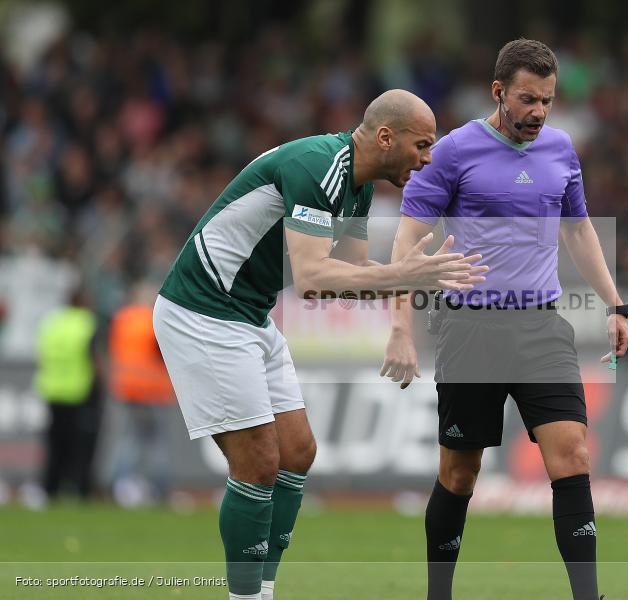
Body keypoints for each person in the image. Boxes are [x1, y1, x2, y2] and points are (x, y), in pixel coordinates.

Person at [152, 89, 487, 600]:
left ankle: (263, 589)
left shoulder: (357, 185)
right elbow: (311, 279)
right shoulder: (318, 166)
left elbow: (349, 275)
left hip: (249, 316)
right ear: (384, 137)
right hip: (205, 314)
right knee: (259, 464)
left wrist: (417, 280)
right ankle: (247, 597)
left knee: (298, 452)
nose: (427, 158)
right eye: (422, 145)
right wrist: (404, 272)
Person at [381, 40, 628, 600]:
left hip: (541, 326)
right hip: (472, 330)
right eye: (527, 100)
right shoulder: (451, 152)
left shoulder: (562, 150)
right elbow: (406, 239)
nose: (539, 112)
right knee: (459, 475)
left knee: (573, 455)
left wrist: (614, 304)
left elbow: (579, 229)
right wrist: (400, 328)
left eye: (547, 100)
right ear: (499, 93)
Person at [108, 281, 176, 506]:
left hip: (128, 388)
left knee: (129, 440)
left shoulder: (122, 318)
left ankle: (117, 484)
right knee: (157, 443)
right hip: (154, 389)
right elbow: (164, 352)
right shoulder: (153, 319)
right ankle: (159, 489)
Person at [33, 288, 103, 502]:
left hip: (53, 391)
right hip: (79, 392)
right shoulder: (86, 323)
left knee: (55, 444)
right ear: (81, 301)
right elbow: (94, 357)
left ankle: (50, 489)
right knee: (81, 447)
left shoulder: (51, 323)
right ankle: (81, 490)